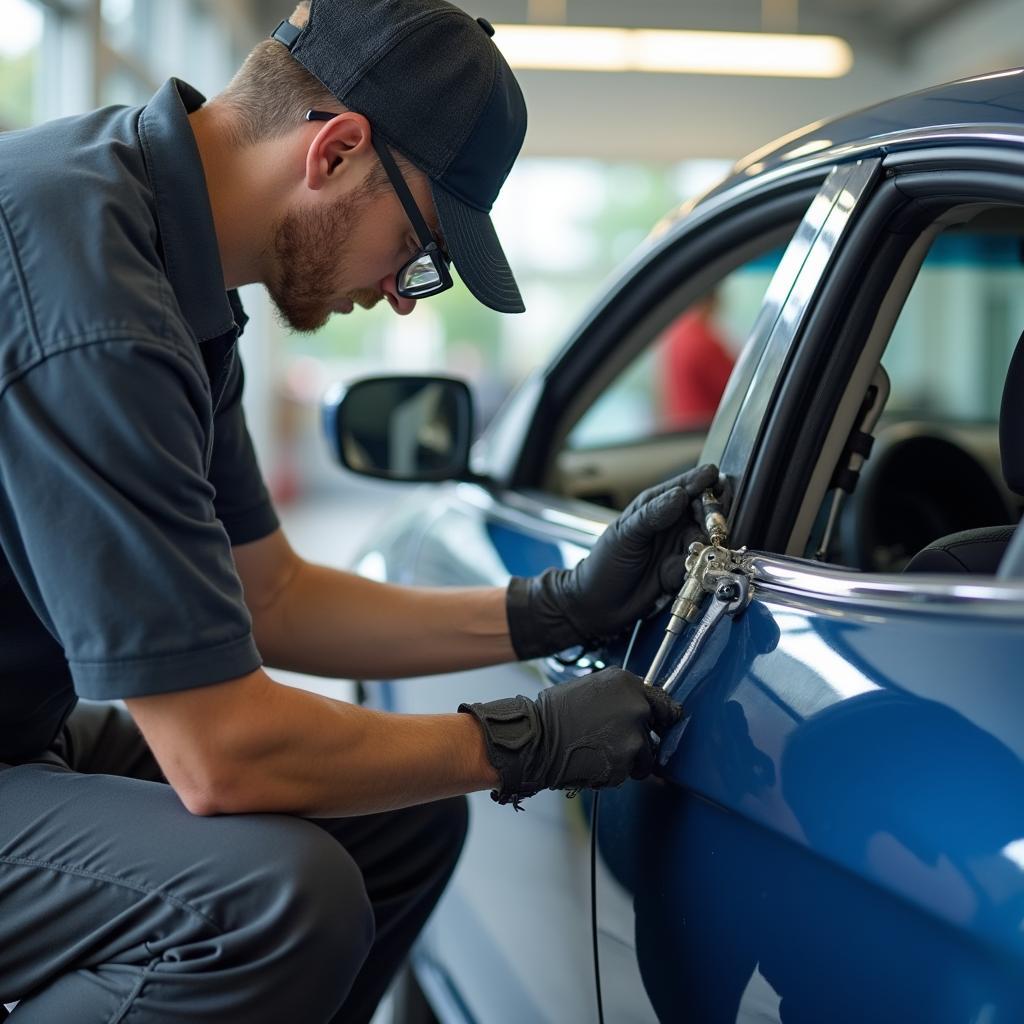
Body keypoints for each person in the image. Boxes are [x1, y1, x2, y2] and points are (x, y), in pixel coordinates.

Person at [0, 1, 723, 1020]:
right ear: (335, 151)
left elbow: (273, 596)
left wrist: (553, 608)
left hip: (20, 735)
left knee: (397, 825)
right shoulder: (97, 300)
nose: (402, 297)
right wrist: (520, 743)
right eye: (420, 249)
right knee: (273, 900)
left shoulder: (163, 259)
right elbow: (220, 756)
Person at [660, 291, 736, 430]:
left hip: (682, 428)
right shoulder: (703, 342)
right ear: (712, 301)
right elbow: (737, 388)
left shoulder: (677, 335)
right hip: (709, 430)